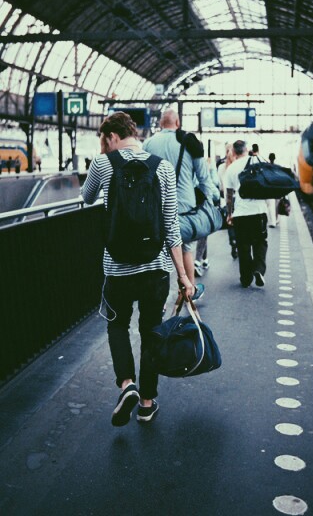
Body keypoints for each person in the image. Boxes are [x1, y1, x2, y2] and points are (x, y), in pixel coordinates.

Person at [81, 111, 194, 427]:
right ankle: (146, 403)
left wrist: (104, 160)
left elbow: (85, 197)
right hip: (155, 270)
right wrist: (184, 277)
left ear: (111, 137)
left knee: (117, 327)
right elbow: (171, 226)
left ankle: (126, 385)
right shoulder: (164, 169)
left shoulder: (104, 164)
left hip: (117, 270)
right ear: (135, 133)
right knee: (151, 331)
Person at [143, 108, 214, 300]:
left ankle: (159, 298)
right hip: (183, 207)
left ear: (160, 124)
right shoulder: (189, 143)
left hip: (155, 207)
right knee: (185, 249)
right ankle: (188, 290)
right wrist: (212, 199)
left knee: (159, 253)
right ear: (178, 123)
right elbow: (203, 177)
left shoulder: (148, 143)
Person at [225, 140, 268, 288]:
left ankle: (246, 278)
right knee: (260, 242)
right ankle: (258, 269)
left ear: (234, 152)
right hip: (259, 211)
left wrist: (229, 214)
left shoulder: (231, 169)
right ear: (246, 149)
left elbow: (229, 195)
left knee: (243, 246)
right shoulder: (259, 161)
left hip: (241, 213)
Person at [217, 143, 238, 259]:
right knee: (240, 224)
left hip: (226, 199)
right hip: (238, 199)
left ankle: (233, 242)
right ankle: (239, 243)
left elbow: (220, 186)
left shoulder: (221, 167)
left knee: (231, 223)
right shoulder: (238, 166)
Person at [266, 152, 279, 227]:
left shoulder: (267, 167)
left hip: (270, 189)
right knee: (276, 205)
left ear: (269, 158)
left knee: (270, 205)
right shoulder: (276, 167)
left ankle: (272, 221)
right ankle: (276, 219)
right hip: (276, 189)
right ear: (275, 158)